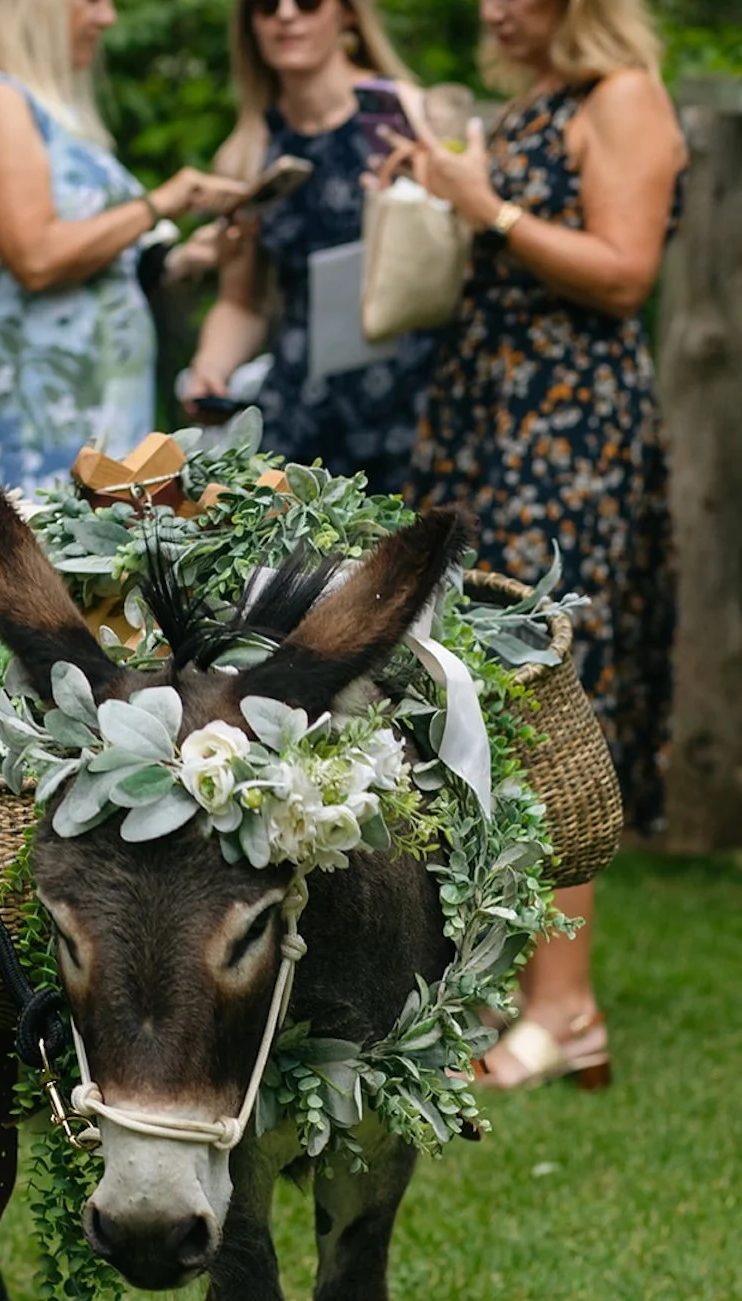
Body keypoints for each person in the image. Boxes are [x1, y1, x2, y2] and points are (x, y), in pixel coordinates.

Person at [391, 0, 685, 1090]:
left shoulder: (623, 99)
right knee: (469, 691)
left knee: (553, 692)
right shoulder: (530, 107)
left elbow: (621, 271)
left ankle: (561, 1008)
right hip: (484, 417)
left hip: (567, 429)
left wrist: (489, 210)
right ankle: (511, 993)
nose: (489, 8)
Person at [0, 0, 247, 494]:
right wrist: (160, 203)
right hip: (37, 436)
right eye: (93, 1)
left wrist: (182, 261)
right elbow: (35, 257)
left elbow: (92, 266)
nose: (107, 18)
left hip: (103, 427)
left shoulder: (57, 114)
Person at [183, 0, 434, 495]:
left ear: (347, 14)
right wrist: (210, 368)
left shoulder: (400, 112)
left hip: (417, 400)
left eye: (308, 2)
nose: (286, 15)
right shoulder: (249, 150)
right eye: (264, 6)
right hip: (305, 416)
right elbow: (242, 300)